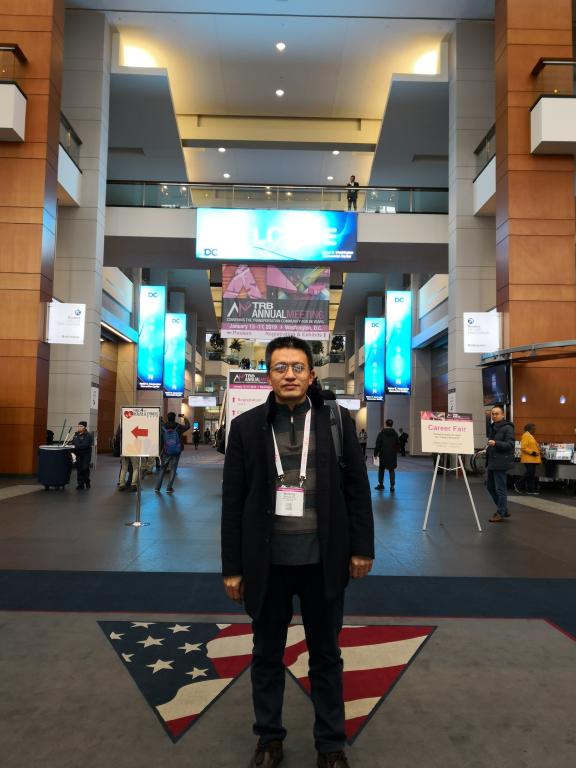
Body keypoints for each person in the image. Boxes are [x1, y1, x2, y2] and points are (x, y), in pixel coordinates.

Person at [222, 336, 374, 768]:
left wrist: (362, 547)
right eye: (280, 367)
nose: (289, 375)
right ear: (268, 375)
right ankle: (269, 739)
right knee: (266, 654)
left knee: (325, 656)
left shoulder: (336, 422)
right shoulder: (246, 427)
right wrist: (232, 567)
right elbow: (233, 502)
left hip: (322, 562)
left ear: (311, 374)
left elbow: (357, 489)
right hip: (267, 564)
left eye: (297, 367)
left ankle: (330, 745)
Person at [485, 404, 515, 522]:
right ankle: (504, 509)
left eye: (497, 414)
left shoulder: (508, 428)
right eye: (492, 414)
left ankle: (500, 512)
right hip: (492, 462)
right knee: (490, 487)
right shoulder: (493, 426)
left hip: (501, 462)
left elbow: (510, 445)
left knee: (500, 489)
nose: (494, 416)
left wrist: (496, 443)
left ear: (503, 415)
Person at [155, 412, 190, 494]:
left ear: (167, 418)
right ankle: (169, 487)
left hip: (166, 451)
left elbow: (160, 439)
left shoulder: (163, 427)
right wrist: (185, 418)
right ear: (174, 418)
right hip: (176, 451)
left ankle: (157, 487)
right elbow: (187, 426)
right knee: (173, 469)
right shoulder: (179, 426)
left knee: (163, 469)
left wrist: (160, 450)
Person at [374, 419, 398, 491]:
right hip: (392, 454)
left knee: (381, 469)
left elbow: (378, 444)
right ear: (392, 424)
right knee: (391, 470)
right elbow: (398, 444)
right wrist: (394, 451)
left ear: (386, 424)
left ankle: (381, 484)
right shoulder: (395, 434)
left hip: (383, 454)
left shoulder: (381, 433)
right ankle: (392, 486)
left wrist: (375, 453)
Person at [516, 423, 541, 496]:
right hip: (528, 459)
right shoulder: (526, 436)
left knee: (531, 475)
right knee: (529, 473)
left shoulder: (530, 436)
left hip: (532, 459)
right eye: (534, 428)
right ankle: (518, 484)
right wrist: (533, 452)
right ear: (530, 429)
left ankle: (530, 490)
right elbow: (523, 448)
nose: (535, 430)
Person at [71, 421, 93, 490]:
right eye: (79, 426)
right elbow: (73, 443)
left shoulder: (88, 435)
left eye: (81, 426)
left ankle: (87, 481)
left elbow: (85, 445)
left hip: (86, 455)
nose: (79, 427)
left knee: (85, 468)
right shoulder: (75, 435)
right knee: (79, 469)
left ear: (85, 427)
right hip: (78, 454)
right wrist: (73, 447)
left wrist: (76, 446)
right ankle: (80, 484)